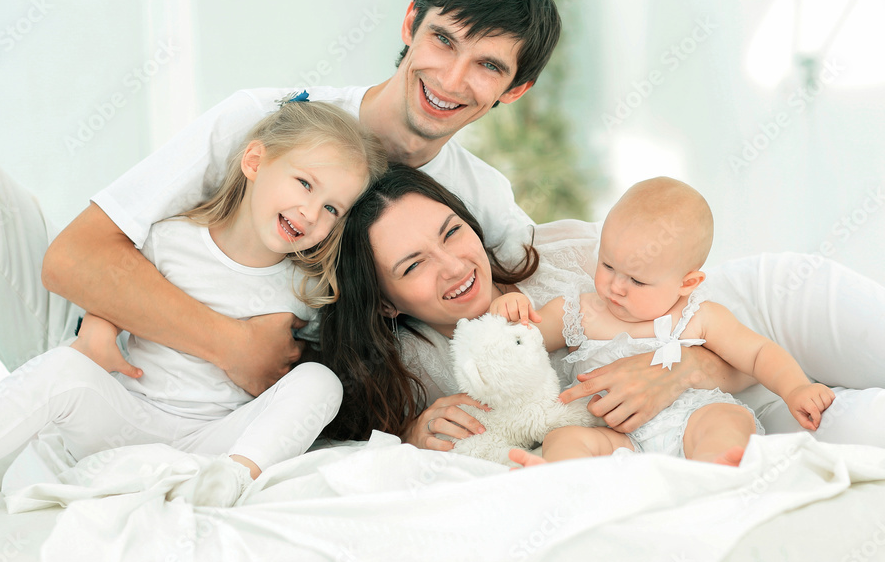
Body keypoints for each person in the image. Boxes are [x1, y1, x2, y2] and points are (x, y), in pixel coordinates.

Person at [0, 0, 558, 413]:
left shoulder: (483, 205)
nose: (450, 78)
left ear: (517, 88)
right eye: (444, 40)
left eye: (487, 66)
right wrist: (230, 344)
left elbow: (551, 323)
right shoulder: (268, 118)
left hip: (202, 408)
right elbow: (74, 259)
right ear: (411, 23)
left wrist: (665, 364)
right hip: (90, 333)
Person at [0, 100, 387, 524]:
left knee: (322, 382)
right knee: (62, 366)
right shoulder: (171, 238)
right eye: (304, 184)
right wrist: (99, 332)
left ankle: (233, 479)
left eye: (332, 209)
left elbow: (303, 379)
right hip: (128, 415)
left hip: (210, 441)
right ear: (254, 162)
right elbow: (113, 289)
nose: (311, 213)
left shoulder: (306, 287)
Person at [318, 165, 885, 456]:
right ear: (385, 302)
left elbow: (735, 345)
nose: (454, 266)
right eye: (413, 265)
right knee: (868, 432)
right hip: (711, 423)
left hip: (768, 313)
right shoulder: (416, 371)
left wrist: (676, 371)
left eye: (453, 232)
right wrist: (416, 435)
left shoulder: (565, 258)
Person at [488, 177, 834, 466]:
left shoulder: (698, 315)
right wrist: (510, 312)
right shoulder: (579, 310)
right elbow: (522, 341)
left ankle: (717, 472)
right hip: (616, 435)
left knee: (726, 421)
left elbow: (758, 354)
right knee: (565, 438)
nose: (615, 287)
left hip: (690, 418)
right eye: (607, 265)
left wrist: (796, 388)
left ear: (687, 283)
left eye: (637, 281)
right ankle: (563, 479)